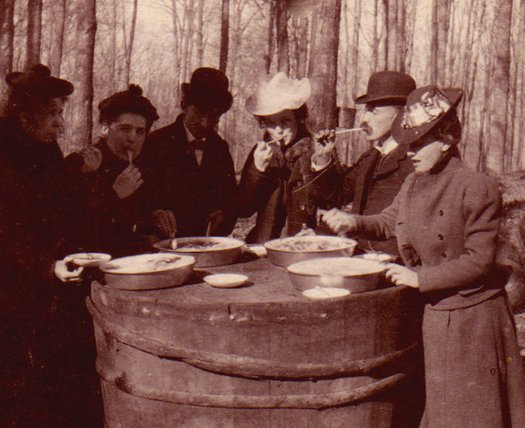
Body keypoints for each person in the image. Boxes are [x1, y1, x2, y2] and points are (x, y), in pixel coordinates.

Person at [322, 85, 525, 427]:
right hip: (435, 313)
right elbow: (387, 222)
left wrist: (420, 277)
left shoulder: (476, 186)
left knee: (472, 414)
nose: (410, 151)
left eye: (418, 143)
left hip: (473, 317)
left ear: (446, 140)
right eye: (408, 143)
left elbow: (479, 260)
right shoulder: (414, 183)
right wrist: (353, 222)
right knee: (444, 409)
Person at [0, 64, 102, 426]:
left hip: (42, 289)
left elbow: (55, 205)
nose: (60, 123)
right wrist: (47, 266)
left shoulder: (43, 147)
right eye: (52, 113)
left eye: (61, 112)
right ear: (24, 113)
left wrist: (79, 173)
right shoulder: (5, 154)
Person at [57, 84, 172, 261]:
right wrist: (114, 194)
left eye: (140, 132)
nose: (132, 138)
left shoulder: (146, 166)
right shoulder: (80, 163)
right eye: (124, 129)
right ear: (105, 128)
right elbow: (74, 230)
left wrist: (156, 216)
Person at [310, 71, 416, 256]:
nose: (364, 119)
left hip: (395, 261)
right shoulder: (370, 157)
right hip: (360, 255)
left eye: (374, 111)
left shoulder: (415, 160)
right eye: (366, 110)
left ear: (402, 115)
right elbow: (337, 196)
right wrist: (323, 157)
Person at [143, 67, 237, 237]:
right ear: (184, 106)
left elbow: (230, 199)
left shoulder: (220, 148)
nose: (205, 123)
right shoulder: (156, 143)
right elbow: (139, 199)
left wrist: (225, 213)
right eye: (199, 113)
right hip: (163, 243)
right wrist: (153, 215)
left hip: (207, 244)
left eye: (213, 116)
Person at [237, 72, 319, 243]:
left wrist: (319, 233)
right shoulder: (261, 153)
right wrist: (257, 170)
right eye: (271, 123)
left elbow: (333, 203)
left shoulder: (316, 151)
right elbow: (244, 209)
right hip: (265, 244)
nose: (278, 130)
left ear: (299, 119)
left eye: (285, 121)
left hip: (304, 242)